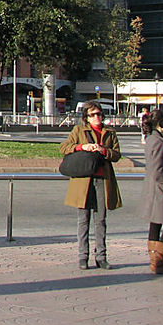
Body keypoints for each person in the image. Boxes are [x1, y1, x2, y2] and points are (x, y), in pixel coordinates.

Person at [60, 100, 122, 270]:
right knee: (83, 219)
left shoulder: (109, 132)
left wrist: (104, 151)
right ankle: (83, 257)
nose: (97, 117)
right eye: (93, 115)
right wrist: (83, 146)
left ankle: (101, 257)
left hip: (103, 179)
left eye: (99, 114)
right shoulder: (79, 130)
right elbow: (64, 147)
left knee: (100, 219)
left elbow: (117, 154)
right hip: (83, 180)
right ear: (86, 117)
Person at [140, 109, 163, 274]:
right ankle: (159, 261)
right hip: (162, 192)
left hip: (155, 191)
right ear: (162, 123)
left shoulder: (152, 139)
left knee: (155, 224)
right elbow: (158, 171)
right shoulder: (158, 142)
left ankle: (156, 261)